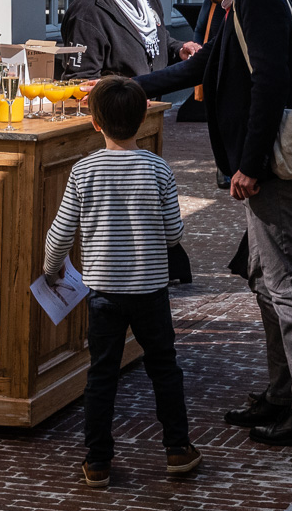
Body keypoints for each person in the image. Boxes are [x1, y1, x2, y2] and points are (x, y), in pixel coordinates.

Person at [138, 0, 292, 447]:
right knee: (265, 281)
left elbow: (272, 82)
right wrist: (130, 88)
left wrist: (250, 164)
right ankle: (281, 393)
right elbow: (207, 64)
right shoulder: (241, 0)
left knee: (288, 287)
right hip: (262, 165)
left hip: (272, 168)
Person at [44, 77, 198, 488]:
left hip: (103, 292)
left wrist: (51, 268)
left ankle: (97, 461)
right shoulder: (157, 168)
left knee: (101, 374)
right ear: (142, 118)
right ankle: (178, 449)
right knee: (164, 367)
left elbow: (61, 232)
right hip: (149, 289)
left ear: (95, 123)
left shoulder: (84, 170)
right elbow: (173, 233)